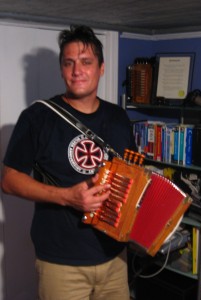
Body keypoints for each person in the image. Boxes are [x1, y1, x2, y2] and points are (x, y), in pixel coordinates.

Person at [1, 25, 136, 300]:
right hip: (62, 263)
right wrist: (67, 197)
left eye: (86, 62)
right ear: (62, 70)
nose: (77, 71)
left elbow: (131, 174)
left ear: (101, 68)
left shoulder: (119, 117)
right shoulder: (37, 117)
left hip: (115, 257)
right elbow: (9, 180)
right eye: (69, 63)